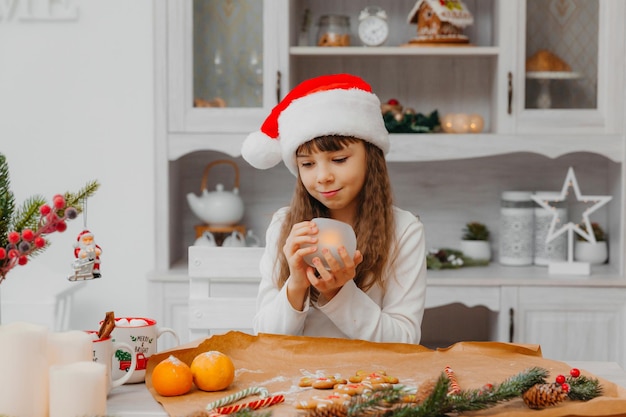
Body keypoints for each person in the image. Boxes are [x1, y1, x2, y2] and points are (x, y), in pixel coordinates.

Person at [241, 73, 427, 344]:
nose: (323, 176)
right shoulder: (285, 226)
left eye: (339, 159)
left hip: (371, 381)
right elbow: (265, 338)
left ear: (370, 158)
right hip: (296, 378)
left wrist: (340, 293)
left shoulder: (404, 231)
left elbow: (405, 341)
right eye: (307, 164)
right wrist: (296, 283)